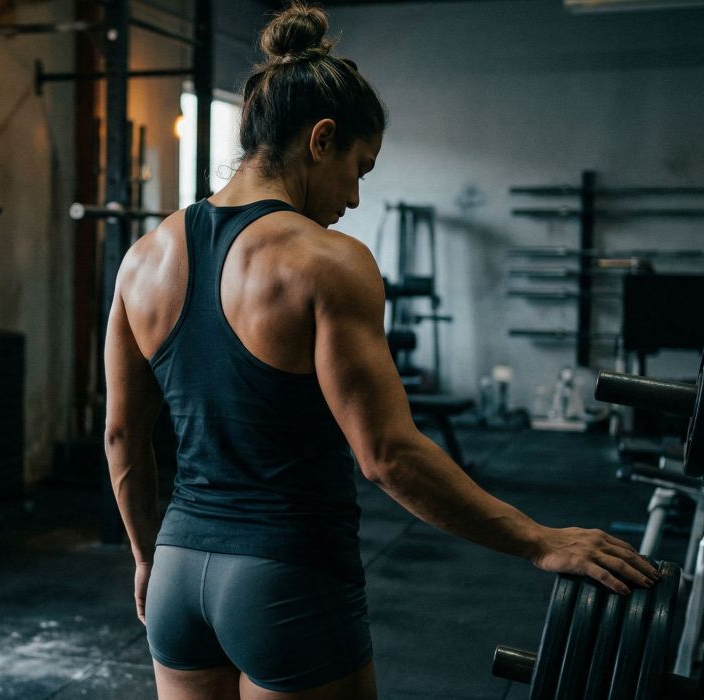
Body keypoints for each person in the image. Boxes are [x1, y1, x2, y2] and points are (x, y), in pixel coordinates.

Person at [103, 4, 660, 698]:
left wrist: (144, 557)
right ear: (321, 138)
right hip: (288, 576)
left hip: (178, 575)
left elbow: (124, 435)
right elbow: (387, 456)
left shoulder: (142, 260)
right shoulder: (326, 261)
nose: (355, 196)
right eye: (358, 168)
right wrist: (539, 539)